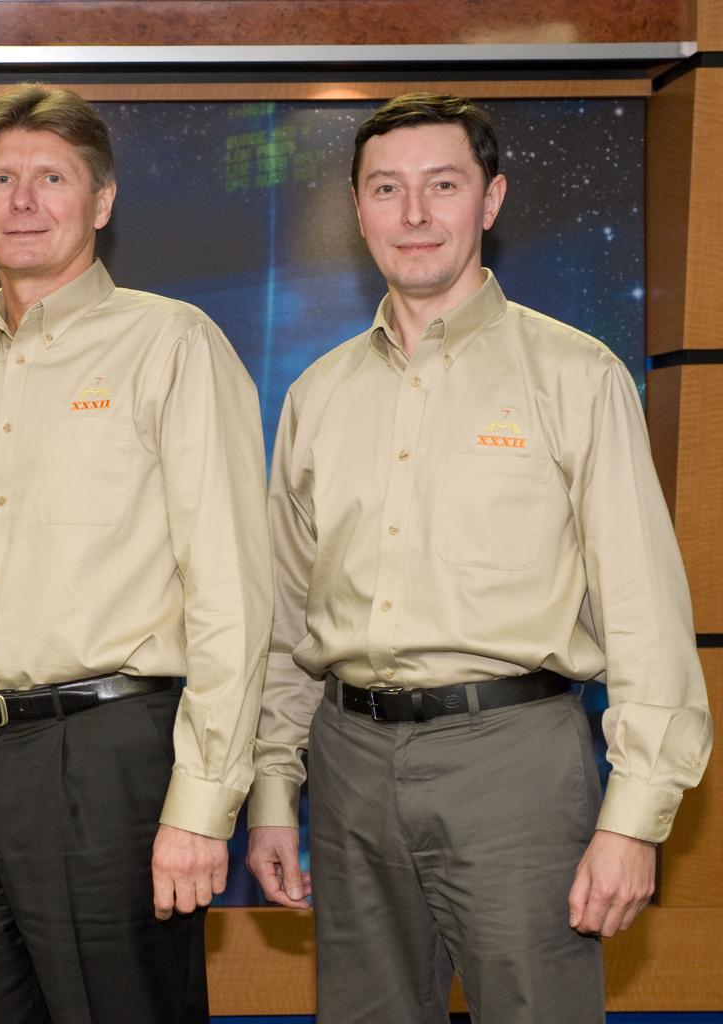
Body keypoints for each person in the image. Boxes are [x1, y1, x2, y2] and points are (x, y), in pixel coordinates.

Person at [246, 92, 713, 1023]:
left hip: (515, 764)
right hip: (347, 763)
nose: (414, 214)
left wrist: (633, 820)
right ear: (358, 208)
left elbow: (645, 615)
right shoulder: (317, 395)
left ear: (490, 201)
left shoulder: (577, 378)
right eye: (387, 188)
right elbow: (287, 623)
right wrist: (270, 787)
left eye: (443, 185)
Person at [0, 84, 271, 1024]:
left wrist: (200, 805)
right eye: (1, 179)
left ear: (100, 203)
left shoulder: (171, 344)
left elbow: (233, 590)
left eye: (51, 178)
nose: (23, 200)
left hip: (110, 758)